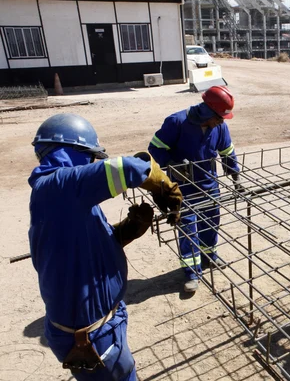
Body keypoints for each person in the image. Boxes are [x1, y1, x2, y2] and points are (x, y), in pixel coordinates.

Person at [29, 113, 182, 380]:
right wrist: (162, 185)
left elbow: (82, 249)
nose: (91, 163)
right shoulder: (59, 186)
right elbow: (130, 168)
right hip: (90, 338)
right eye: (90, 157)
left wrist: (126, 231)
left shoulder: (61, 197)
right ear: (74, 152)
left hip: (102, 324)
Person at [148, 85, 243, 293]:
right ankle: (192, 273)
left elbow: (227, 151)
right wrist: (173, 162)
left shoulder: (219, 127)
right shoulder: (176, 122)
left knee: (211, 222)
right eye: (219, 116)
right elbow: (154, 149)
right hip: (183, 189)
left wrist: (236, 177)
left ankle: (209, 257)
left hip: (210, 184)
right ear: (207, 112)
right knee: (188, 229)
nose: (222, 120)